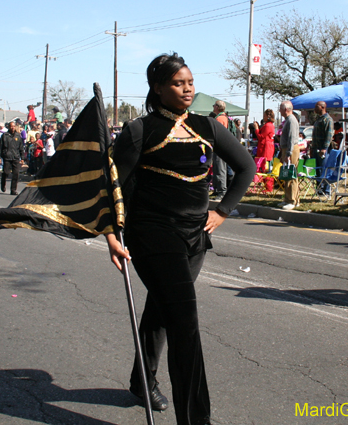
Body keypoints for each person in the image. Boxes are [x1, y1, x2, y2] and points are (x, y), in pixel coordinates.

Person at [105, 53, 254, 424]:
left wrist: (223, 210)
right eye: (177, 83)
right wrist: (110, 233)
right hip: (153, 233)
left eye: (190, 82)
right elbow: (112, 187)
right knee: (184, 322)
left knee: (163, 309)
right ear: (158, 88)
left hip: (195, 237)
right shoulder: (140, 130)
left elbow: (246, 167)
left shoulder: (208, 126)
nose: (187, 89)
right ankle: (195, 419)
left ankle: (143, 381)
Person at [279, 100, 300, 210]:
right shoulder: (287, 120)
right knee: (286, 174)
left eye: (281, 108)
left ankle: (292, 200)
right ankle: (287, 199)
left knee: (291, 174)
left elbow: (292, 138)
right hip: (286, 149)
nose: (279, 111)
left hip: (290, 149)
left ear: (286, 109)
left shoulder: (291, 120)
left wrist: (288, 153)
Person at [0, 121, 25, 195]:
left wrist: (23, 158)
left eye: (14, 126)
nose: (12, 127)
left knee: (16, 174)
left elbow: (21, 148)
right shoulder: (5, 136)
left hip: (16, 157)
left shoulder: (18, 136)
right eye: (11, 126)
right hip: (7, 157)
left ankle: (13, 190)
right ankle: (3, 183)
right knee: (6, 172)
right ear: (8, 127)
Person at [310, 101, 334, 193]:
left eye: (317, 106)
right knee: (318, 170)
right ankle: (319, 189)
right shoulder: (318, 119)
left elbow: (329, 135)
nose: (315, 108)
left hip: (323, 149)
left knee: (324, 169)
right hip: (316, 148)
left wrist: (324, 148)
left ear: (323, 107)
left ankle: (326, 190)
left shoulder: (327, 119)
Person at [209, 100, 229, 200]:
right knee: (217, 168)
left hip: (220, 147)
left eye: (214, 105)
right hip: (220, 146)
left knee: (220, 169)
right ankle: (217, 189)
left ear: (217, 107)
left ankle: (222, 191)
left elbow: (216, 133)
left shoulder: (220, 118)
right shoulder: (223, 117)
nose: (213, 107)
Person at [253, 109, 276, 191]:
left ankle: (268, 187)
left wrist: (256, 129)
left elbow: (261, 137)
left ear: (268, 116)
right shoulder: (269, 125)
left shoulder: (268, 126)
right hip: (266, 148)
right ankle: (266, 186)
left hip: (266, 149)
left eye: (265, 116)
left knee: (266, 168)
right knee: (265, 167)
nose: (263, 117)